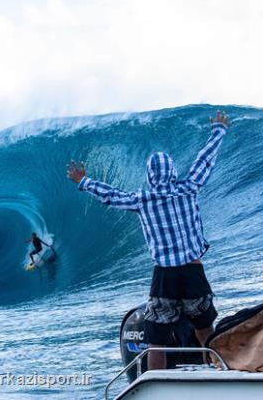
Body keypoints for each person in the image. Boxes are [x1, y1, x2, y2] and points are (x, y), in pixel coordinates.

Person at [67, 110, 231, 370]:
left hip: (165, 276)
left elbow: (111, 196)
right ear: (172, 171)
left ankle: (156, 384)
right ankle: (216, 373)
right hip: (193, 270)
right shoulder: (188, 189)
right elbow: (204, 161)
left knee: (157, 338)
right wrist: (218, 131)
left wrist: (84, 181)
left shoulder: (142, 200)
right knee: (204, 330)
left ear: (149, 175)